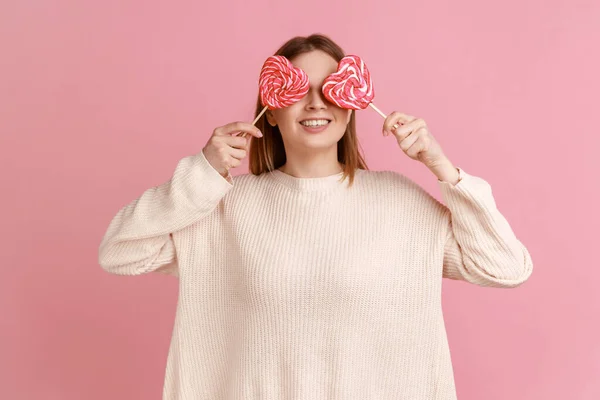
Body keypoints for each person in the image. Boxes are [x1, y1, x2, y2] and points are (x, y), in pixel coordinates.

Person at [98, 34, 533, 400]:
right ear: (271, 108)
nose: (315, 102)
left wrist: (442, 167)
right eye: (296, 89)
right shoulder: (224, 207)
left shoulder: (400, 202)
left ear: (352, 102)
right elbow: (120, 252)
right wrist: (203, 173)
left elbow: (505, 268)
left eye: (331, 87)